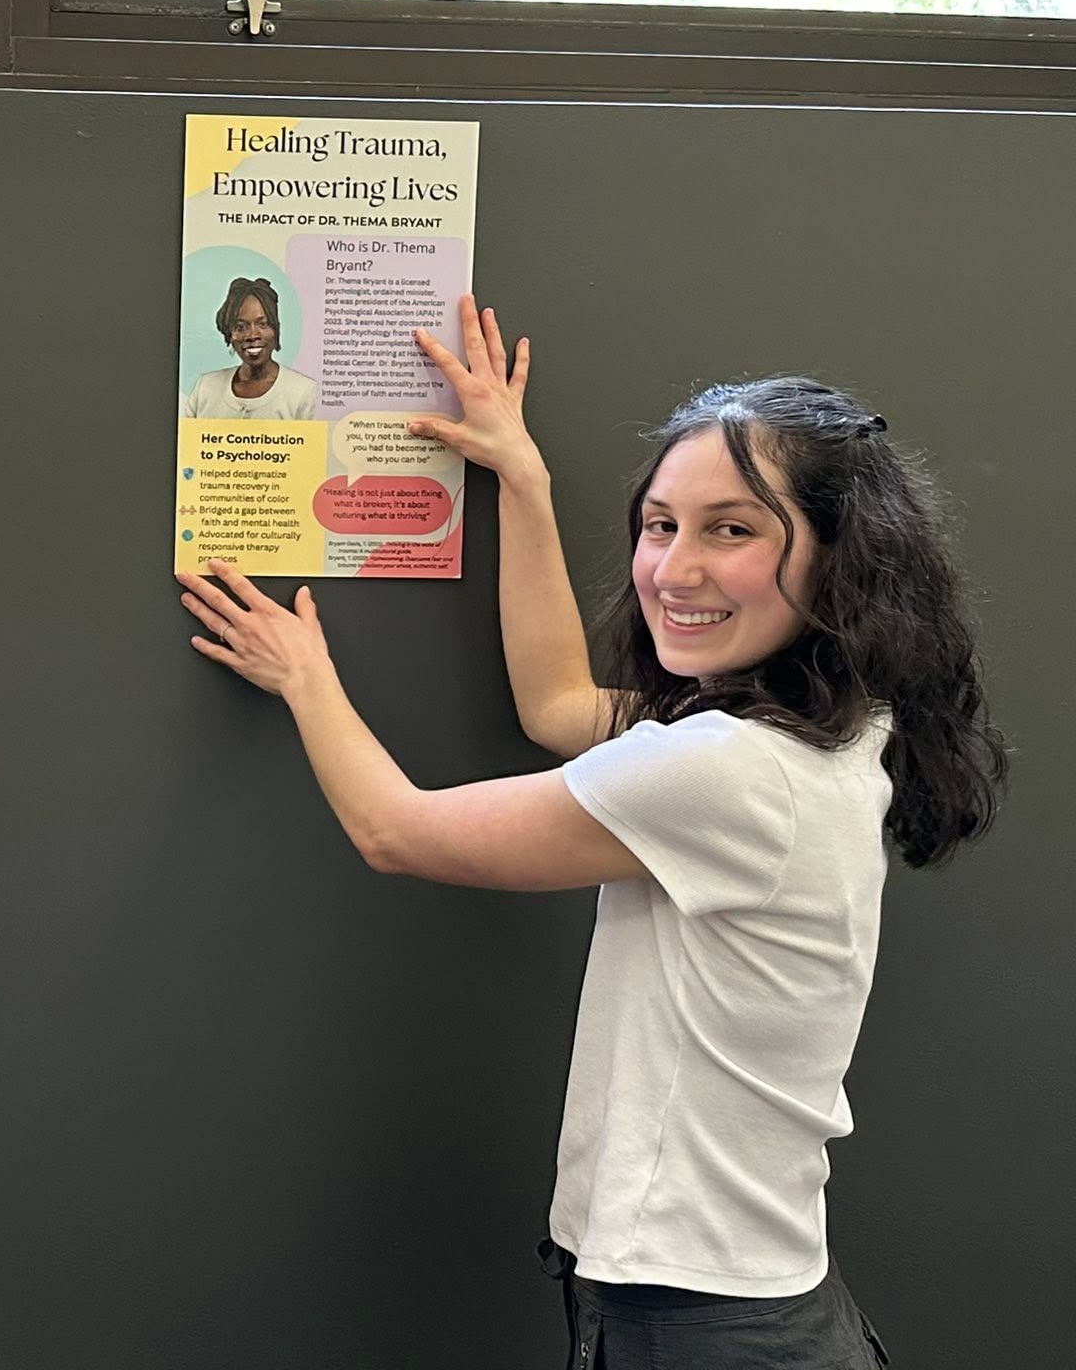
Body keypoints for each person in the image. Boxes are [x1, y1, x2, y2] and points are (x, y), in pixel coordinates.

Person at [175, 296, 1005, 1369]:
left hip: (700, 1322)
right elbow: (561, 706)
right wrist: (520, 479)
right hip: (740, 1303)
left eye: (732, 529)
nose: (674, 568)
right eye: (660, 524)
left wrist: (304, 677)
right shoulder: (831, 726)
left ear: (840, 558)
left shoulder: (724, 768)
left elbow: (395, 832)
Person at [180, 275, 317, 420]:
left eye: (262, 324)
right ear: (230, 334)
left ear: (275, 329)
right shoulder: (205, 388)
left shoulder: (304, 393)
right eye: (240, 327)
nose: (252, 335)